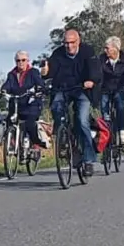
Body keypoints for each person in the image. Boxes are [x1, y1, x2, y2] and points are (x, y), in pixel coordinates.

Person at [41, 29, 101, 177]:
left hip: (82, 90)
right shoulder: (58, 53)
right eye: (66, 43)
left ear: (78, 41)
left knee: (82, 121)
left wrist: (91, 80)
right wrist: (45, 72)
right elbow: (50, 71)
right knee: (56, 107)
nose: (69, 46)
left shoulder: (88, 51)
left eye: (72, 42)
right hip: (63, 89)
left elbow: (95, 70)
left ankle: (88, 160)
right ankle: (63, 137)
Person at [0, 50, 48, 149]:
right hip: (17, 104)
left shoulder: (33, 72)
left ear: (27, 61)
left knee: (30, 124)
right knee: (9, 121)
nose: (21, 62)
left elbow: (40, 83)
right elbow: (8, 85)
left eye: (23, 60)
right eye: (18, 60)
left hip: (31, 104)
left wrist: (39, 89)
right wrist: (3, 90)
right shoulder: (11, 74)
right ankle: (12, 141)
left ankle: (36, 142)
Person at [99, 36, 124, 147]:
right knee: (104, 108)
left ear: (115, 49)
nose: (105, 50)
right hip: (105, 88)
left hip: (120, 88)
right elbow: (96, 72)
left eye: (107, 48)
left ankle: (122, 131)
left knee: (119, 105)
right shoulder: (101, 59)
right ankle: (106, 134)